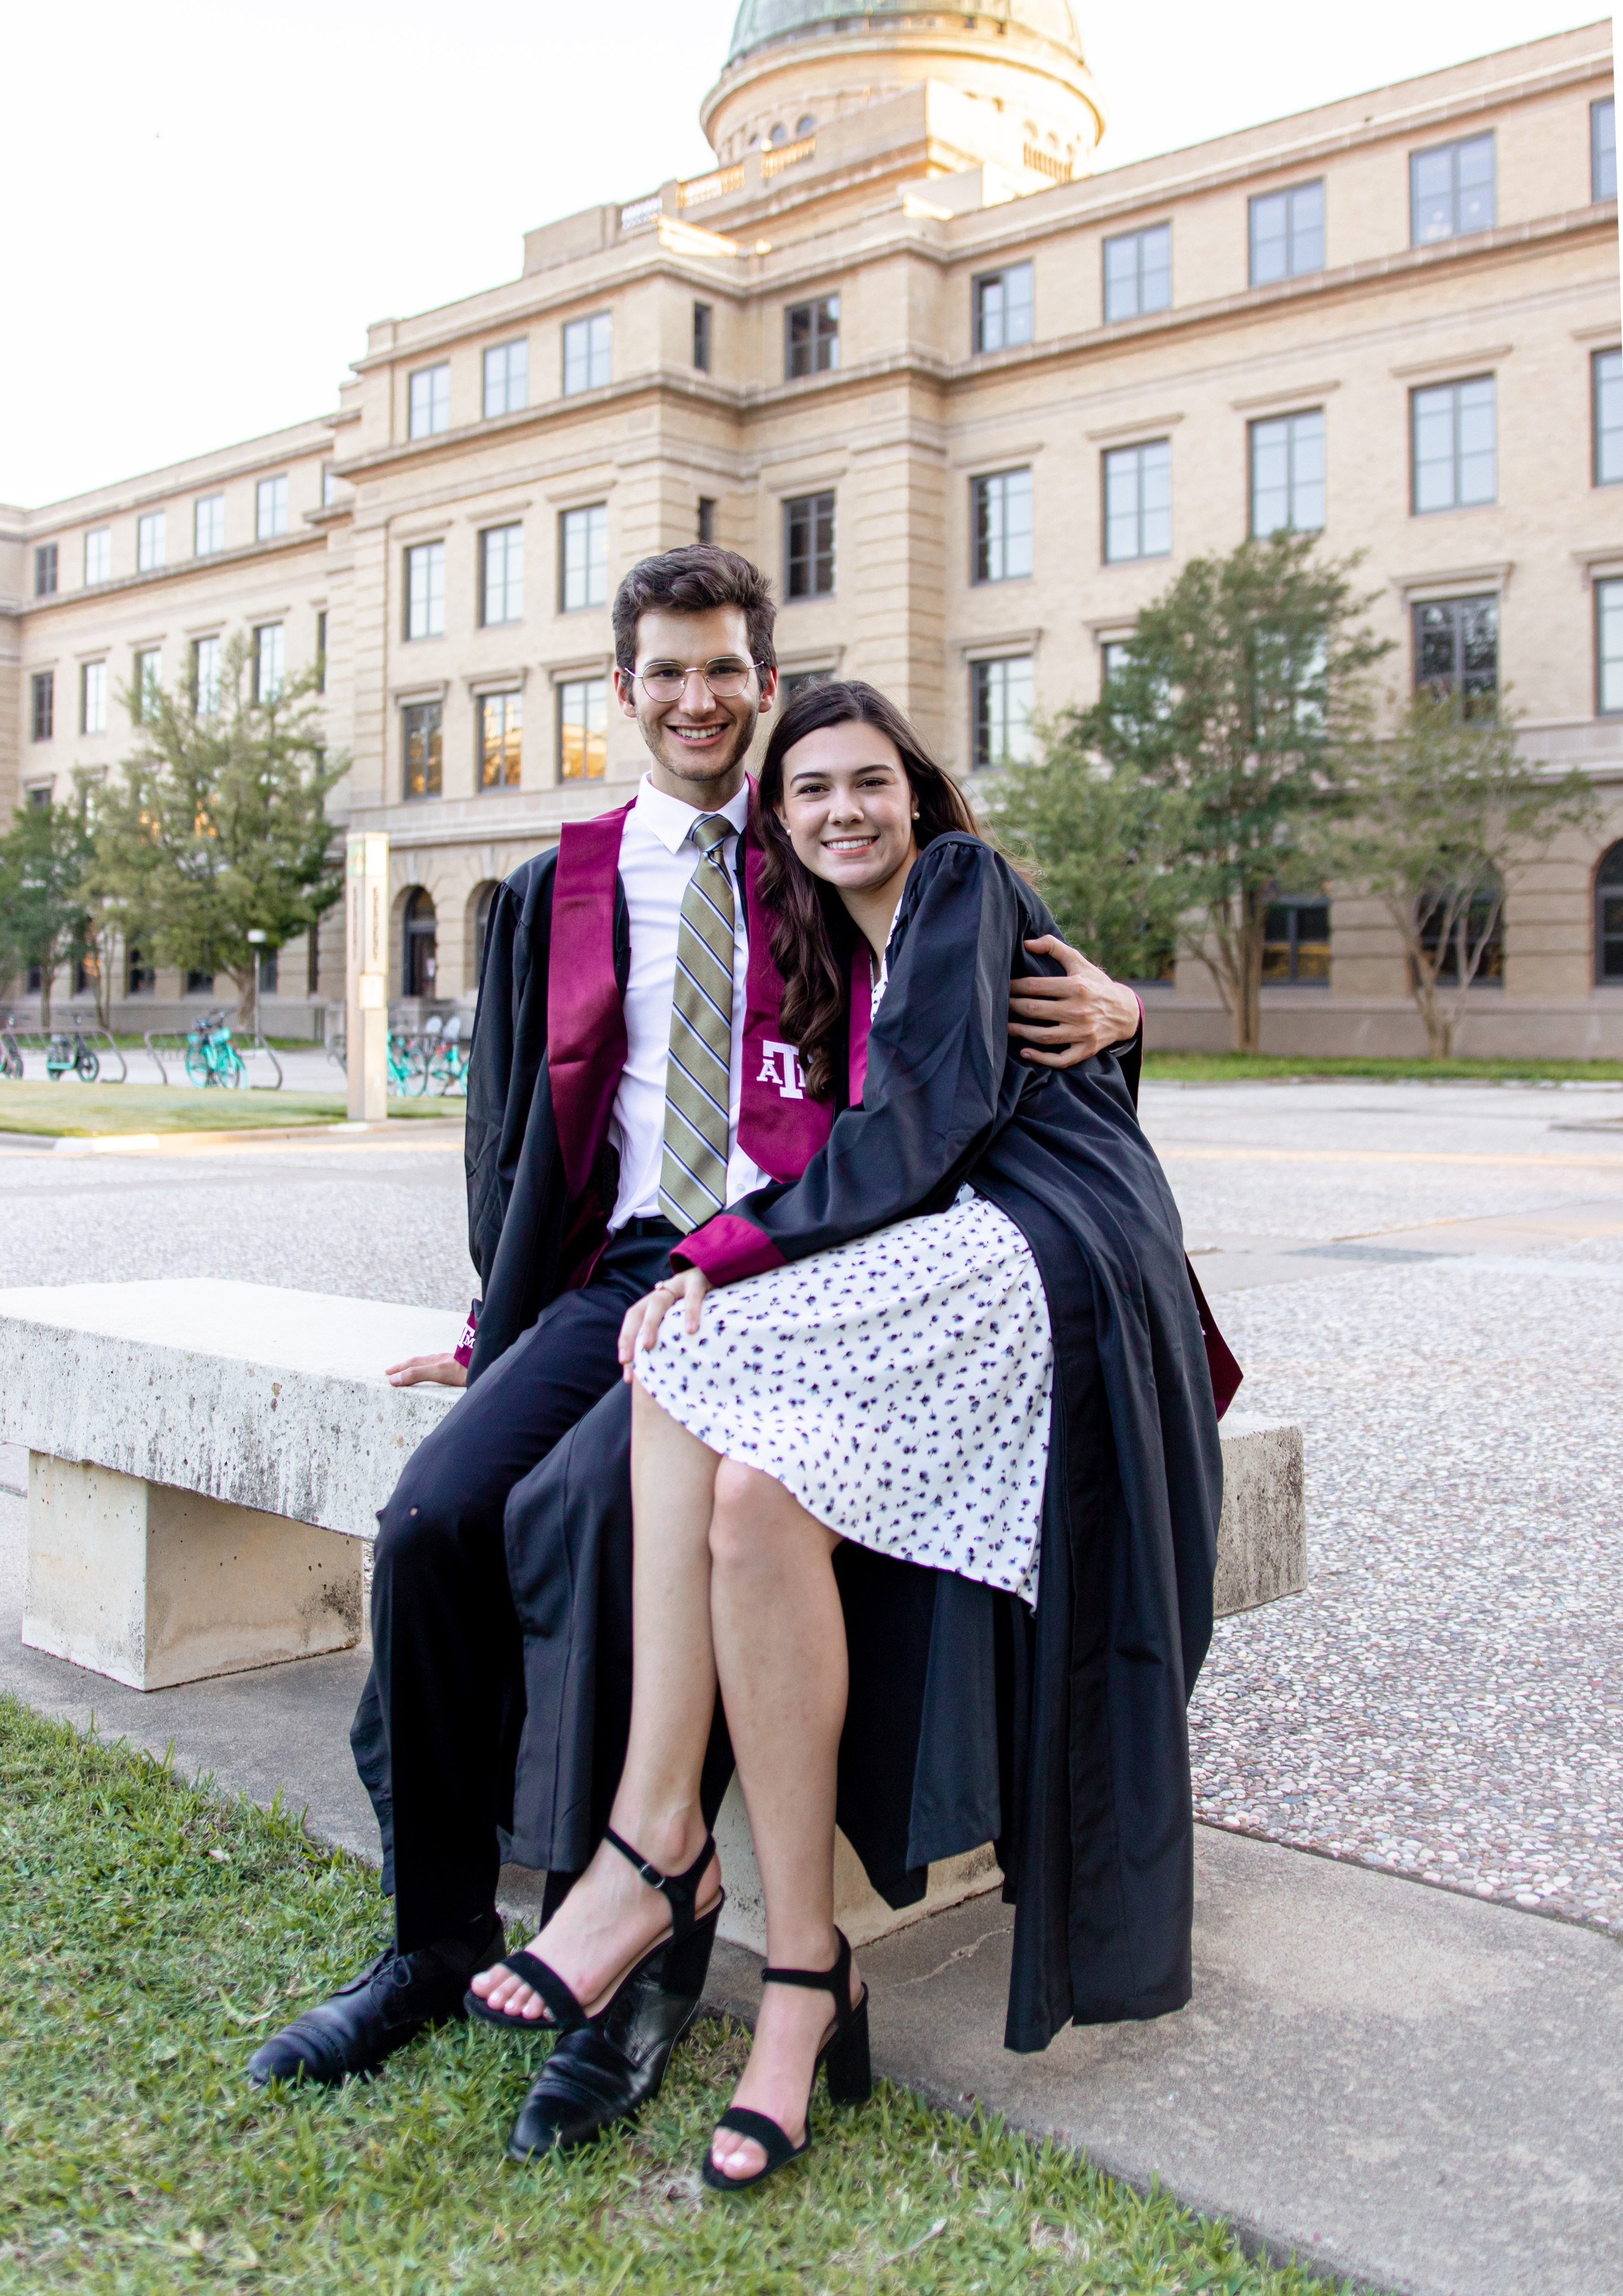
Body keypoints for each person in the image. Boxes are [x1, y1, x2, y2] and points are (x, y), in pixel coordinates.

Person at [249, 548, 1144, 2150]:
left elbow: (984, 1004)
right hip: (620, 1276)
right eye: (665, 671)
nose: (697, 698)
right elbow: (513, 1137)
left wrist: (1126, 1010)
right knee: (436, 1519)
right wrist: (492, 1325)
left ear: (763, 677)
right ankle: (433, 1932)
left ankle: (645, 1960)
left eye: (725, 668)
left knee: (600, 1520)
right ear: (622, 690)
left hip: (797, 1268)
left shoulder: (824, 839)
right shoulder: (567, 885)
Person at [466, 678, 1238, 2189]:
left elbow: (932, 1123)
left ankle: (649, 1845)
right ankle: (803, 1981)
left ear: (917, 790)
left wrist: (713, 1249)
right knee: (752, 1498)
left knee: (693, 1337)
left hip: (1053, 1247)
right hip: (981, 1240)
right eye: (806, 790)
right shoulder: (843, 941)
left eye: (865, 781)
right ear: (779, 815)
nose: (838, 810)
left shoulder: (954, 881)